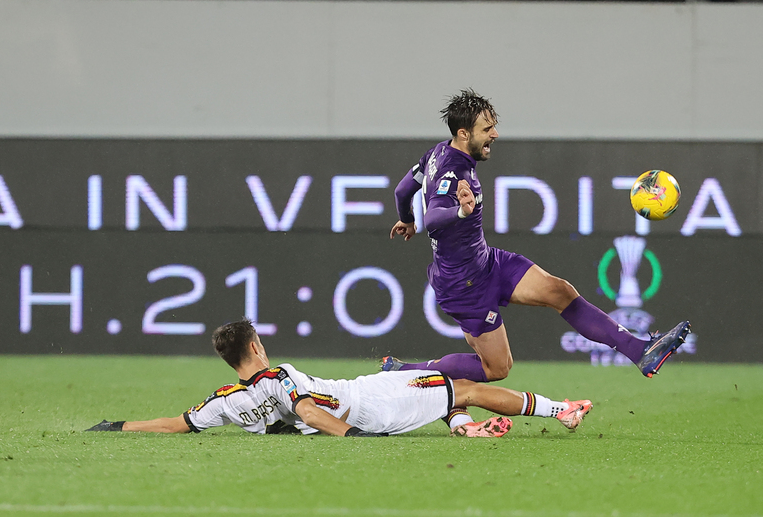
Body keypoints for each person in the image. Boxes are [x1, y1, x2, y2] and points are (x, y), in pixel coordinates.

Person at [385, 89, 691, 382]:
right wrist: (460, 213)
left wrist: (405, 219)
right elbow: (434, 218)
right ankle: (407, 371)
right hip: (463, 284)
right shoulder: (453, 172)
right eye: (487, 129)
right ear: (464, 134)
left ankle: (641, 351)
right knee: (497, 368)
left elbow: (403, 190)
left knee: (560, 291)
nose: (495, 134)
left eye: (494, 127)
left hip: (485, 261)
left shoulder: (438, 152)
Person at [87, 319, 593, 438]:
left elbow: (175, 423)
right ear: (257, 347)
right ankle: (560, 410)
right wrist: (351, 435)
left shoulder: (223, 402)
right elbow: (306, 409)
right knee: (465, 387)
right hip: (362, 405)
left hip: (364, 398)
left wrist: (118, 427)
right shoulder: (279, 375)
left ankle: (464, 428)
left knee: (439, 388)